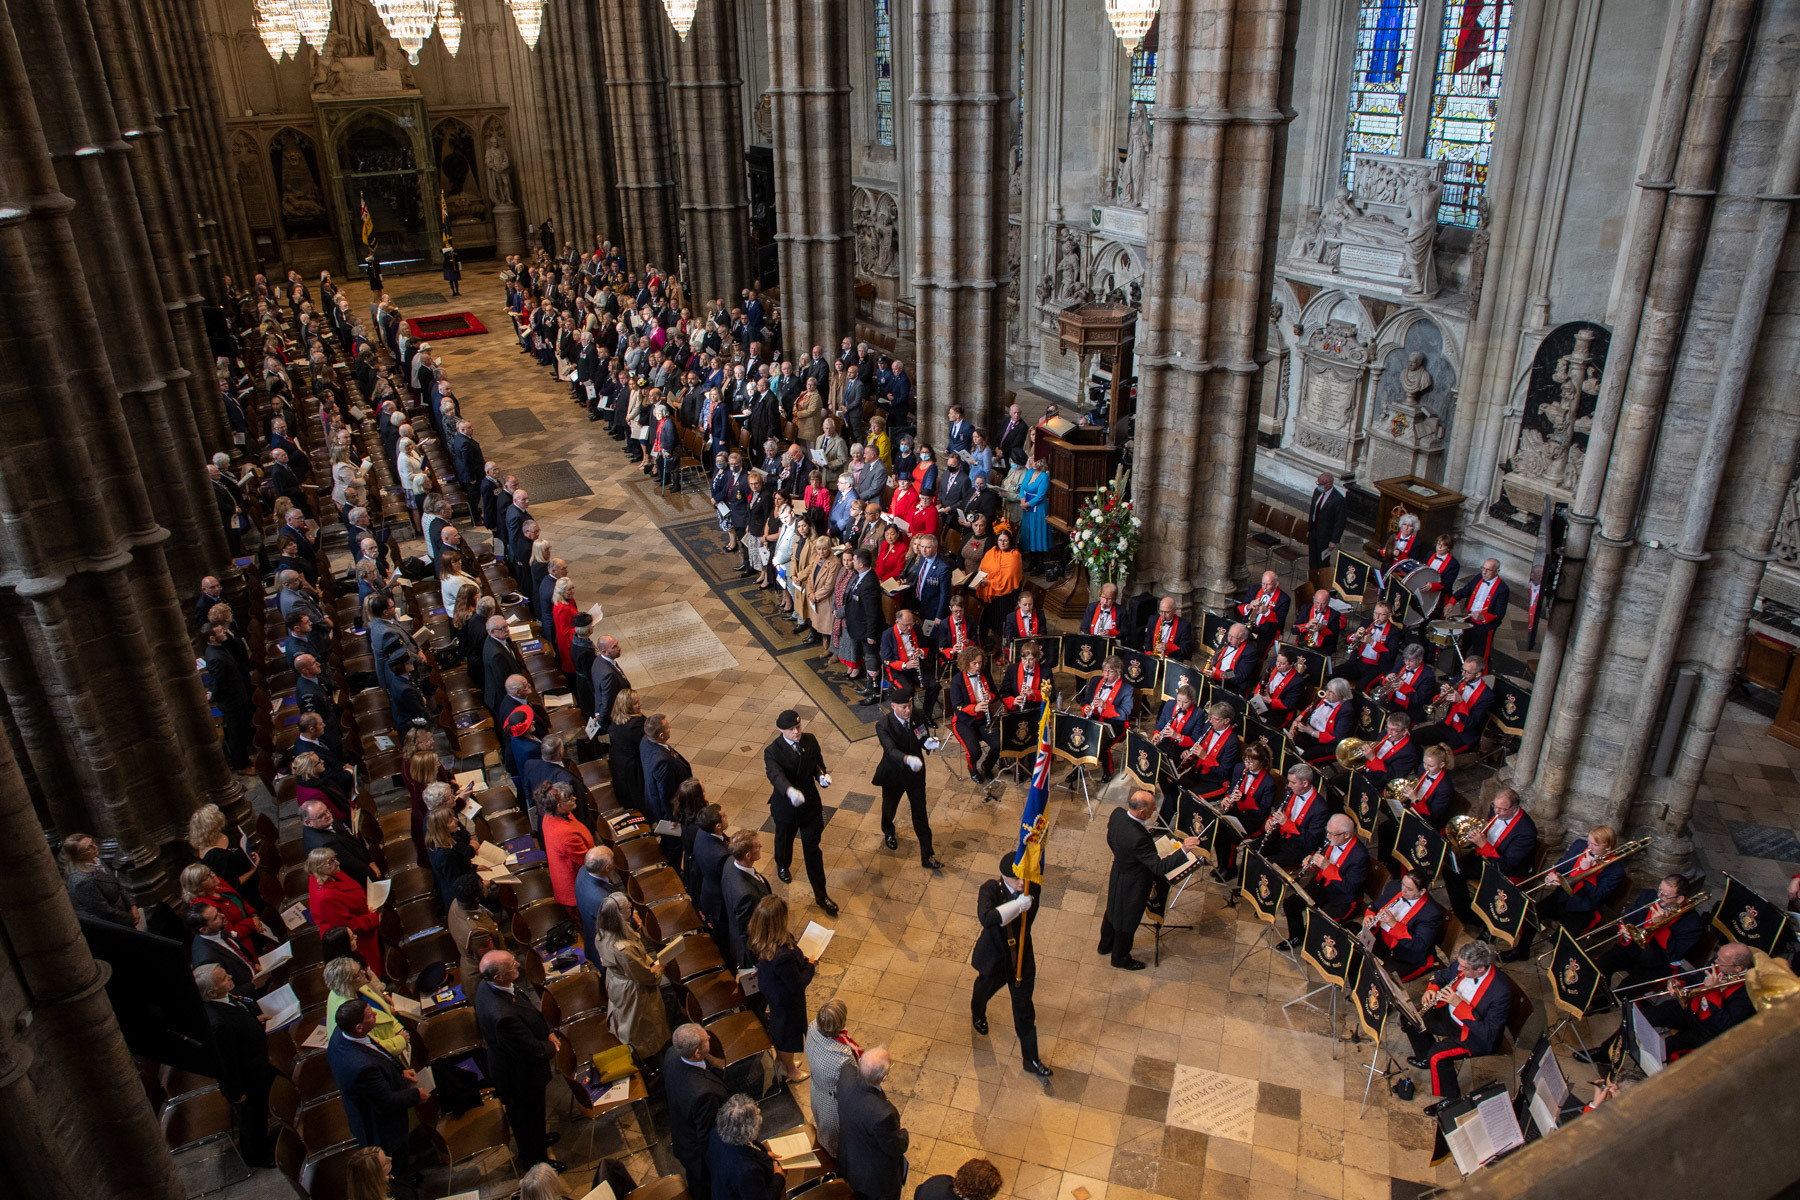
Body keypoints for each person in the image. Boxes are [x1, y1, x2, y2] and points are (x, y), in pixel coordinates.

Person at [473, 951, 565, 1171]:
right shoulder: (502, 1015)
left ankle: (537, 1141)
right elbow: (531, 1051)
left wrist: (546, 1032)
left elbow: (525, 1008)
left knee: (533, 1117)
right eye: (512, 966)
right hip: (519, 1077)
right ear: (498, 977)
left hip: (515, 1065)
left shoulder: (489, 986)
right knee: (527, 1120)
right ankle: (537, 1162)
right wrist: (552, 1045)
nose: (518, 965)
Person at [1403, 941, 1514, 1113]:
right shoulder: (1464, 963)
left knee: (1438, 1055)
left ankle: (1452, 1100)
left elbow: (1488, 1034)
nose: (1459, 970)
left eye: (1464, 968)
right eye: (1460, 965)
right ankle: (1424, 1057)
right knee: (1409, 1017)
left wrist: (1459, 1004)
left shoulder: (1500, 992)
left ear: (1481, 970)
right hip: (1450, 1015)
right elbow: (1441, 975)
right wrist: (1431, 988)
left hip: (1473, 1034)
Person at [1099, 791, 1202, 970]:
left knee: (1112, 908)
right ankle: (1120, 957)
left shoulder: (1117, 814)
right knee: (1127, 921)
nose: (1154, 812)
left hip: (1119, 872)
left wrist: (1123, 857)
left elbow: (1110, 839)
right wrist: (1183, 850)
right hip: (1133, 882)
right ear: (1142, 813)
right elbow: (1158, 868)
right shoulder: (1137, 839)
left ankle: (1105, 944)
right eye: (1152, 810)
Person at [327, 999, 430, 1179]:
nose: (375, 1014)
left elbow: (376, 1052)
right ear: (359, 1027)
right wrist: (415, 1095)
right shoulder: (361, 1066)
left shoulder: (341, 1032)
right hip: (381, 1128)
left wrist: (399, 1073)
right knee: (393, 1168)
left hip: (371, 1102)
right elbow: (386, 1102)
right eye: (370, 1015)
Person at [971, 852, 1051, 1077]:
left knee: (1024, 1009)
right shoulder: (990, 889)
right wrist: (1017, 906)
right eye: (1016, 879)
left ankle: (1031, 1059)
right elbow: (987, 918)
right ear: (1003, 876)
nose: (1022, 882)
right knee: (984, 989)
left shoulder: (1030, 888)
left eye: (1023, 877)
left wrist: (1022, 902)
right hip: (995, 955)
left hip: (1020, 957)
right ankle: (978, 1013)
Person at [195, 963, 276, 1167]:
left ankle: (264, 1143)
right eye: (223, 979)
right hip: (248, 1078)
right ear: (212, 992)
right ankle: (257, 1155)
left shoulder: (224, 1001)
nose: (230, 976)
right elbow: (226, 1062)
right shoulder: (218, 1024)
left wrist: (255, 1021)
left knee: (259, 1113)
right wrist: (236, 1092)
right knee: (252, 1117)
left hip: (257, 1066)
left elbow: (238, 1023)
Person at [762, 710, 839, 914]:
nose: (796, 732)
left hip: (810, 806)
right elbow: (775, 775)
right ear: (781, 730)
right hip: (786, 806)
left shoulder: (810, 740)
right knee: (784, 840)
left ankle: (821, 896)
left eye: (798, 727)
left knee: (813, 850)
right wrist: (789, 791)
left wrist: (822, 776)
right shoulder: (773, 751)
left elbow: (817, 763)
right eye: (791, 730)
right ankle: (783, 865)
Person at [1441, 787, 1538, 922]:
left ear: (1514, 809)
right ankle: (1464, 913)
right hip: (1486, 857)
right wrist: (1474, 836)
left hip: (1506, 871)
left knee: (1490, 897)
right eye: (1495, 806)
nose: (1496, 812)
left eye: (1502, 809)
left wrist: (1483, 844)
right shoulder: (1497, 810)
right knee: (1450, 869)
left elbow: (1506, 866)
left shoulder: (1526, 832)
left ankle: (1483, 923)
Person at [594, 892, 670, 1059]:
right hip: (633, 989)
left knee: (625, 1017)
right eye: (629, 908)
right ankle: (648, 1055)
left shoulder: (603, 930)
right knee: (643, 1026)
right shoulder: (623, 949)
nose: (632, 910)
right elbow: (644, 976)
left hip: (616, 981)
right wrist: (658, 969)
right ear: (619, 914)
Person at [750, 895, 817, 1084]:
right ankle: (790, 1070)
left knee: (782, 1031)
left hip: (773, 990)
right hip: (786, 1000)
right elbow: (798, 984)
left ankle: (782, 1062)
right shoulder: (783, 956)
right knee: (788, 1034)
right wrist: (810, 965)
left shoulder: (763, 938)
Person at [1277, 815, 1370, 950]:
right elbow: (1322, 859)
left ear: (1347, 835)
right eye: (1328, 832)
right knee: (1291, 903)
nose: (1328, 837)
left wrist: (1327, 867)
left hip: (1343, 900)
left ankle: (1312, 947)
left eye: (1332, 834)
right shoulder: (1333, 840)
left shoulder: (1360, 856)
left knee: (1319, 919)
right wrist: (1313, 862)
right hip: (1323, 886)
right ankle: (1296, 937)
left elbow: (1350, 889)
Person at [871, 686, 941, 867]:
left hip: (916, 776)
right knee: (889, 808)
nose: (908, 710)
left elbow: (922, 735)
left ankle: (927, 856)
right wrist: (907, 759)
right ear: (893, 706)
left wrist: (928, 744)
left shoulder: (917, 716)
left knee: (921, 816)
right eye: (904, 707)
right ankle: (888, 831)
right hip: (893, 775)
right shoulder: (883, 725)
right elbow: (890, 749)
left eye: (909, 705)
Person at [664, 1023, 729, 1195]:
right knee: (705, 1189)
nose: (709, 1037)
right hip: (699, 1154)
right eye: (706, 1039)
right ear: (697, 1053)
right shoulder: (705, 1094)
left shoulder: (671, 1054)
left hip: (682, 1134)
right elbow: (708, 1134)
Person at [836, 1047, 909, 1200]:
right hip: (874, 1178)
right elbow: (895, 1147)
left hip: (849, 1158)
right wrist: (903, 1134)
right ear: (884, 1077)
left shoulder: (845, 1075)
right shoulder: (883, 1114)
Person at [1361, 869, 1446, 982]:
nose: (1403, 891)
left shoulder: (1430, 914)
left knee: (1379, 980)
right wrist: (1370, 915)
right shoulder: (1394, 887)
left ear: (1422, 892)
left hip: (1407, 957)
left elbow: (1419, 945)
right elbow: (1375, 905)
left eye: (1409, 889)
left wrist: (1393, 924)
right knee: (1354, 955)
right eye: (1403, 885)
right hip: (1382, 941)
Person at [307, 848, 381, 972]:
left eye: (334, 859)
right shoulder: (326, 898)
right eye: (330, 862)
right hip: (357, 936)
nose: (337, 863)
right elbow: (348, 925)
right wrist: (374, 917)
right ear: (319, 869)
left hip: (363, 913)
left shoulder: (330, 873)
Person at [804, 999, 861, 1155]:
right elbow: (854, 1083)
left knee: (822, 1127)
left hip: (816, 1090)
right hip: (832, 1104)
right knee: (835, 1143)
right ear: (841, 1024)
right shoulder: (842, 1057)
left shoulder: (812, 1027)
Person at [324, 957, 407, 1059]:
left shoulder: (355, 987)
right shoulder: (350, 1013)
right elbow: (369, 1046)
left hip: (394, 1036)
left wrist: (398, 1028)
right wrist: (400, 1040)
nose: (363, 972)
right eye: (358, 973)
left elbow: (384, 1010)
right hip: (384, 1055)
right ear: (348, 982)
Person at [706, 1093, 783, 1200]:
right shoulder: (748, 1171)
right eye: (756, 1115)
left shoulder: (716, 1134)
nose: (759, 1112)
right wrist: (779, 1177)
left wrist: (763, 1154)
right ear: (748, 1132)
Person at [1412, 655, 1494, 755]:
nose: (1463, 674)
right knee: (1412, 738)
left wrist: (1460, 702)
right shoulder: (1458, 679)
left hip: (1463, 735)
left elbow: (1471, 723)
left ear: (1478, 675)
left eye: (1467, 672)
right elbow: (1435, 703)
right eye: (1463, 670)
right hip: (1446, 725)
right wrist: (1442, 696)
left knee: (1436, 756)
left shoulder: (1487, 696)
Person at [947, 646, 1004, 786]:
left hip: (984, 719)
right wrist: (975, 708)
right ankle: (973, 770)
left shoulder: (985, 674)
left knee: (998, 744)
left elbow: (996, 695)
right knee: (974, 751)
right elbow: (957, 706)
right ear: (966, 663)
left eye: (979, 663)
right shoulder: (957, 680)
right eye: (974, 663)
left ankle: (987, 766)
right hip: (964, 721)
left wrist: (989, 696)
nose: (978, 666)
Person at [62, 833, 138, 928]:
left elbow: (117, 884)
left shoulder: (95, 859)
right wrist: (131, 918)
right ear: (78, 856)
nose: (95, 847)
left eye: (92, 842)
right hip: (114, 925)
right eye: (88, 848)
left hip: (122, 910)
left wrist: (132, 905)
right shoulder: (83, 881)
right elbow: (104, 912)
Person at [720, 830, 773, 968]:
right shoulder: (747, 895)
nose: (761, 846)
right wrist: (756, 963)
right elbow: (747, 932)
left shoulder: (730, 861)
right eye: (757, 845)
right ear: (748, 855)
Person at [540, 785, 595, 907]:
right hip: (577, 885)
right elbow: (588, 862)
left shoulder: (552, 815)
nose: (574, 798)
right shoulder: (565, 834)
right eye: (569, 799)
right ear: (559, 806)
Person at [1450, 557, 1510, 663]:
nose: (1484, 572)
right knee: (1461, 649)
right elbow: (1465, 591)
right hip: (1469, 620)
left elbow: (1499, 614)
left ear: (1497, 571)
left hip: (1484, 627)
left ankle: (1478, 677)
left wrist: (1482, 616)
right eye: (1483, 568)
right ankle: (1456, 674)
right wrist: (1452, 602)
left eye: (1488, 570)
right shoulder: (1478, 578)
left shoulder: (1502, 589)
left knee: (1480, 655)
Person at [1307, 472, 1347, 571]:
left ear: (1329, 484)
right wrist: (1309, 529)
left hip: (1325, 536)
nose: (1318, 486)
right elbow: (1313, 511)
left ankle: (1322, 581)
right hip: (1314, 531)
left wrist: (1334, 541)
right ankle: (1313, 578)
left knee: (1322, 561)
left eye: (1320, 484)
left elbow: (1340, 522)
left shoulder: (1338, 499)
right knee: (1312, 558)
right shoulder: (1317, 491)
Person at [1016, 458, 1050, 574]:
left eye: (1038, 461)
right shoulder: (1029, 472)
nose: (1035, 464)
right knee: (1030, 533)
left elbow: (1040, 496)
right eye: (1034, 461)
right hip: (1027, 508)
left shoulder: (1044, 476)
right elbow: (1022, 489)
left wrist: (1027, 504)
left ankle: (1040, 564)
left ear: (1043, 463)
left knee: (1037, 533)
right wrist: (1022, 500)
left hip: (1038, 509)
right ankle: (1032, 561)